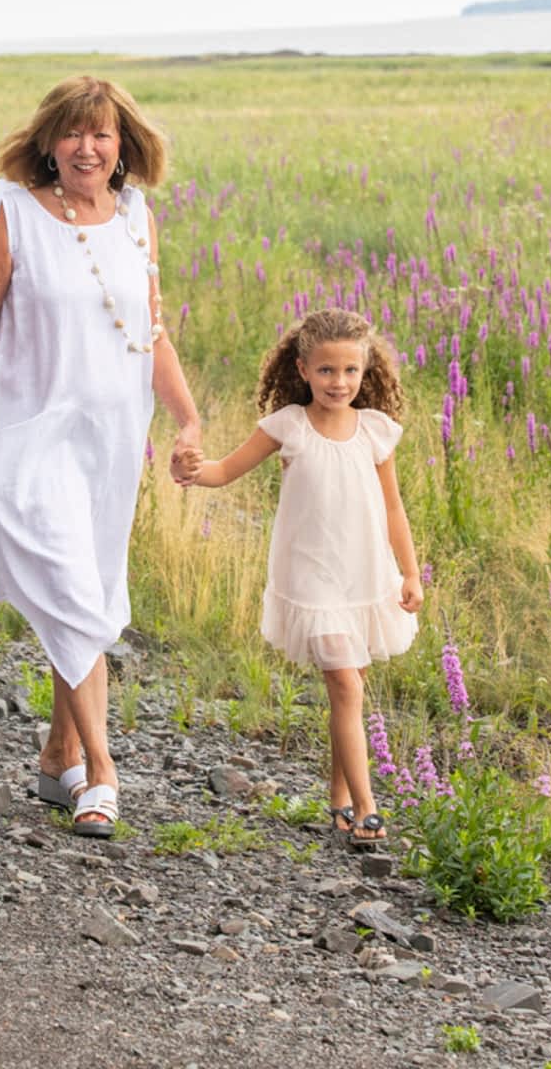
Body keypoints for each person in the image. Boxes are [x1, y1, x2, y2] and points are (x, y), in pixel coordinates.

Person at [0, 75, 202, 839]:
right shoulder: (11, 212)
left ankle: (57, 757)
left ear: (122, 148)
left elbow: (153, 332)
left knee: (87, 587)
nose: (87, 147)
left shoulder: (137, 218)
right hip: (34, 431)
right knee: (75, 590)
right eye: (73, 133)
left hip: (112, 440)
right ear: (48, 143)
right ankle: (103, 774)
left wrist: (187, 419)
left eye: (102, 134)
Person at [176, 307, 423, 845]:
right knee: (344, 685)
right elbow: (223, 471)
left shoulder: (375, 432)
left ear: (366, 371)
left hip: (364, 575)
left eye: (351, 371)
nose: (340, 382)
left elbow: (394, 510)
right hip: (312, 578)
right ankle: (367, 807)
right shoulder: (286, 426)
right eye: (328, 371)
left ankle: (337, 799)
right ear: (303, 368)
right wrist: (193, 469)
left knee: (350, 689)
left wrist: (410, 572)